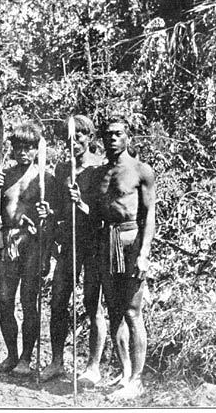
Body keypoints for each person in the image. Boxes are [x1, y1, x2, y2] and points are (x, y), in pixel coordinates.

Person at [86, 115, 156, 400]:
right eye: (108, 135)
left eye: (118, 134)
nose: (112, 138)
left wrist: (143, 253)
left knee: (132, 311)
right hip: (105, 243)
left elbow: (149, 213)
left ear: (128, 137)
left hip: (130, 241)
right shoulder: (99, 173)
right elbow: (94, 212)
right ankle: (126, 373)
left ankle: (137, 380)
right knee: (114, 311)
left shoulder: (141, 171)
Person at [39, 115, 108, 385]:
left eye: (79, 137)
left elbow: (105, 212)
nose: (73, 143)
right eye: (68, 139)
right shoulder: (61, 168)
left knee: (93, 304)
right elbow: (56, 206)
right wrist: (50, 212)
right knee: (58, 301)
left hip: (93, 242)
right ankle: (57, 362)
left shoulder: (100, 168)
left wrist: (82, 204)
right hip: (68, 243)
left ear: (89, 138)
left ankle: (93, 367)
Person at [0, 122, 55, 376]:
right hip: (7, 242)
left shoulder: (45, 179)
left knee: (29, 301)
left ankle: (26, 358)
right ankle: (11, 353)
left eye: (29, 148)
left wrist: (46, 253)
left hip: (32, 245)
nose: (23, 153)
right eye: (18, 147)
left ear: (37, 149)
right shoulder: (3, 177)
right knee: (4, 300)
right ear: (12, 148)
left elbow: (54, 218)